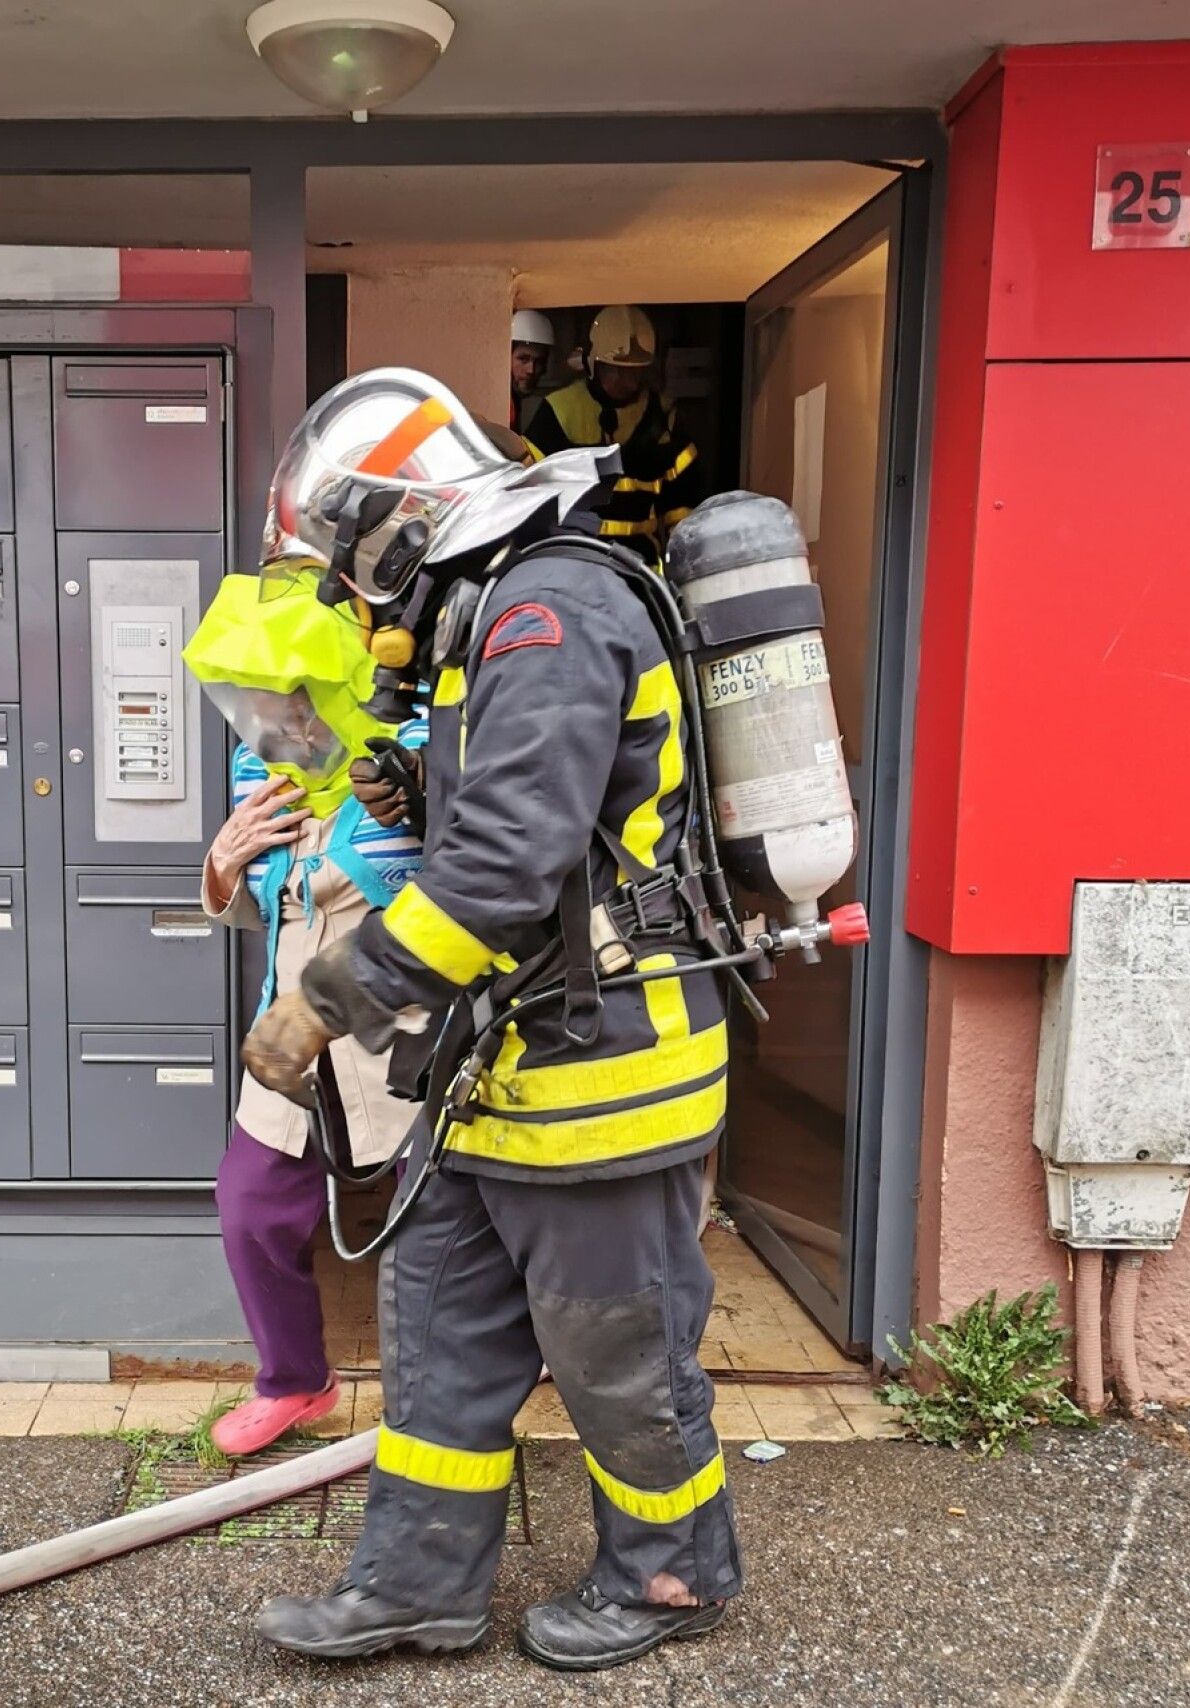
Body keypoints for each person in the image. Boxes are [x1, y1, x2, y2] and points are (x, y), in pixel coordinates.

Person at [240, 369, 741, 1670]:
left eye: (354, 565)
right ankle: (418, 1584)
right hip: (498, 1069)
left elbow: (510, 865)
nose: (359, 599)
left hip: (601, 1076)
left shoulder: (550, 615)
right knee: (441, 1329)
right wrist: (406, 788)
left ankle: (672, 1573)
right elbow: (505, 830)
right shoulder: (487, 624)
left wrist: (326, 999)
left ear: (404, 526)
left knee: (617, 1356)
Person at [182, 570, 426, 1457]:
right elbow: (254, 904)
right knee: (250, 1205)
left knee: (440, 1225)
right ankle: (295, 1382)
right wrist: (221, 860)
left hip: (407, 1037)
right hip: (293, 1035)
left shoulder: (413, 749)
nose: (265, 716)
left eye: (280, 695)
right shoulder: (267, 770)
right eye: (248, 700)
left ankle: (448, 1393)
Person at [526, 304, 704, 565]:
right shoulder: (560, 411)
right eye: (616, 371)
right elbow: (529, 496)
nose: (627, 382)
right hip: (574, 562)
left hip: (642, 569)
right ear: (591, 364)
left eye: (635, 371)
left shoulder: (663, 417)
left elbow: (682, 507)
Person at [509, 308, 554, 435]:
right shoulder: (503, 404)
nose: (531, 370)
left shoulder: (514, 400)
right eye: (523, 359)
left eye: (539, 361)